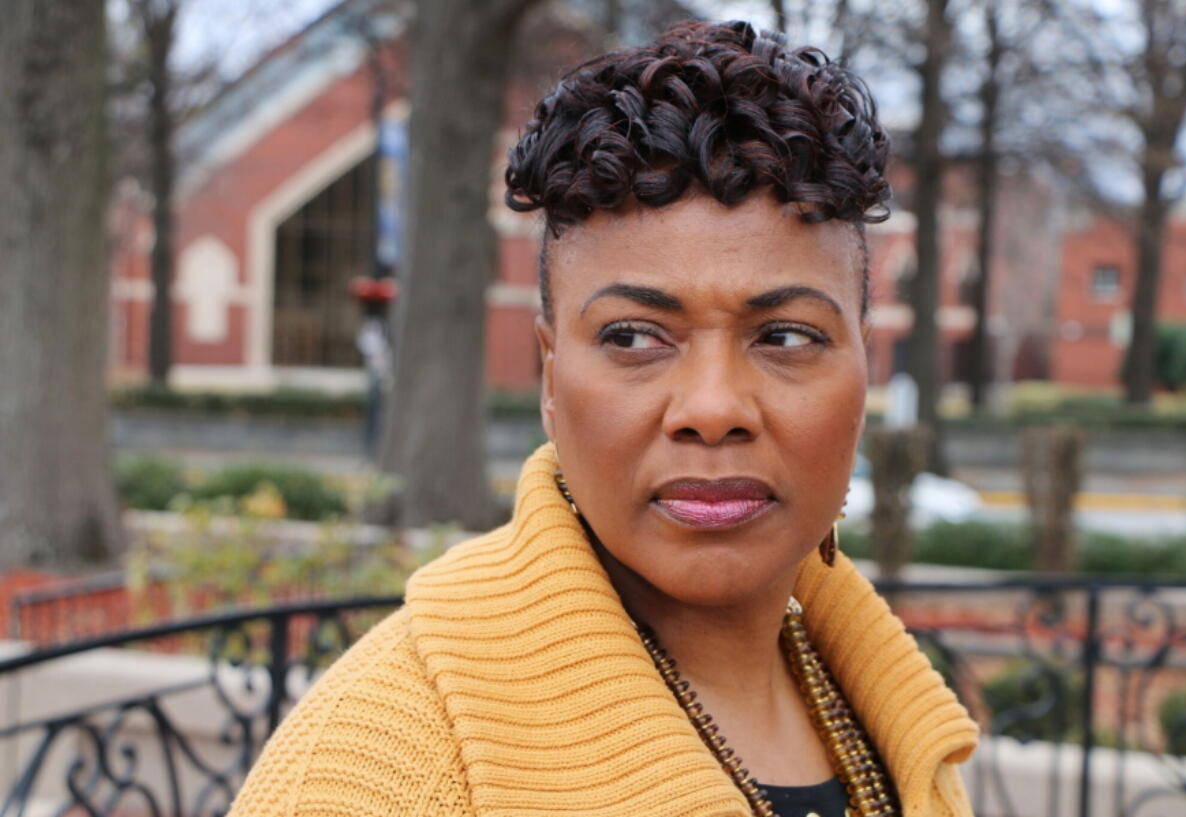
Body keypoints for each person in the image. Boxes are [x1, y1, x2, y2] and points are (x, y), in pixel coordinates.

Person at [228, 19, 978, 817]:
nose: (712, 409)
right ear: (551, 375)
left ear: (863, 365)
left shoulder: (881, 717)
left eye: (786, 335)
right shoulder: (370, 773)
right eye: (633, 337)